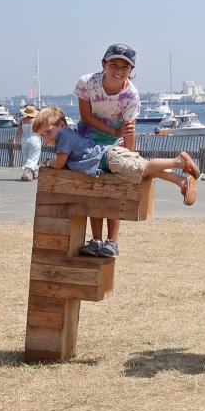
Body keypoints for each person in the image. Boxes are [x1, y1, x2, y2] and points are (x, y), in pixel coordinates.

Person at [33, 107, 199, 205]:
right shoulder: (67, 135)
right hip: (110, 158)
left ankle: (179, 161)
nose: (46, 137)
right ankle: (181, 181)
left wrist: (49, 162)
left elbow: (59, 163)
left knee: (145, 167)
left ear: (61, 125)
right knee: (145, 171)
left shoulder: (64, 136)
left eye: (48, 132)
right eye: (42, 135)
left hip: (109, 158)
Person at [74, 43, 141, 258]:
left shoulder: (131, 95)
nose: (118, 70)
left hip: (115, 142)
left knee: (114, 189)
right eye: (114, 64)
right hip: (89, 137)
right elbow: (86, 116)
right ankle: (95, 238)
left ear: (131, 70)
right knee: (94, 186)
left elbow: (130, 129)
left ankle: (112, 241)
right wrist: (112, 132)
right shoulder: (87, 83)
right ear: (104, 64)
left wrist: (130, 159)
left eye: (125, 67)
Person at [14, 104, 42, 181]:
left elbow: (19, 132)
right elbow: (41, 131)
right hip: (35, 139)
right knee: (33, 157)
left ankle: (34, 173)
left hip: (24, 140)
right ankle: (26, 173)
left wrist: (16, 141)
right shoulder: (37, 120)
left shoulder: (22, 120)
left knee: (26, 157)